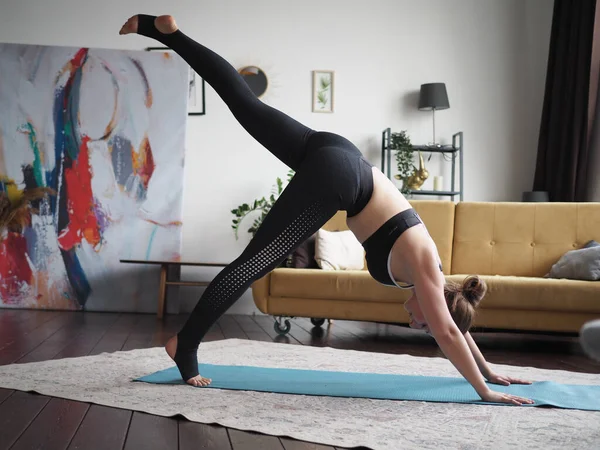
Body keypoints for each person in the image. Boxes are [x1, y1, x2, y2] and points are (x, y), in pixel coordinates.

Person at [119, 14, 534, 405]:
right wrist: (484, 390)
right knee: (253, 264)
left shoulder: (434, 279)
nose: (416, 325)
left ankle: (166, 33)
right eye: (421, 322)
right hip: (341, 179)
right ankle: (184, 345)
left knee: (246, 105)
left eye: (419, 328)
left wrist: (489, 367)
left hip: (340, 154)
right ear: (434, 305)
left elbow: (452, 325)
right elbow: (447, 328)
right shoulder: (427, 269)